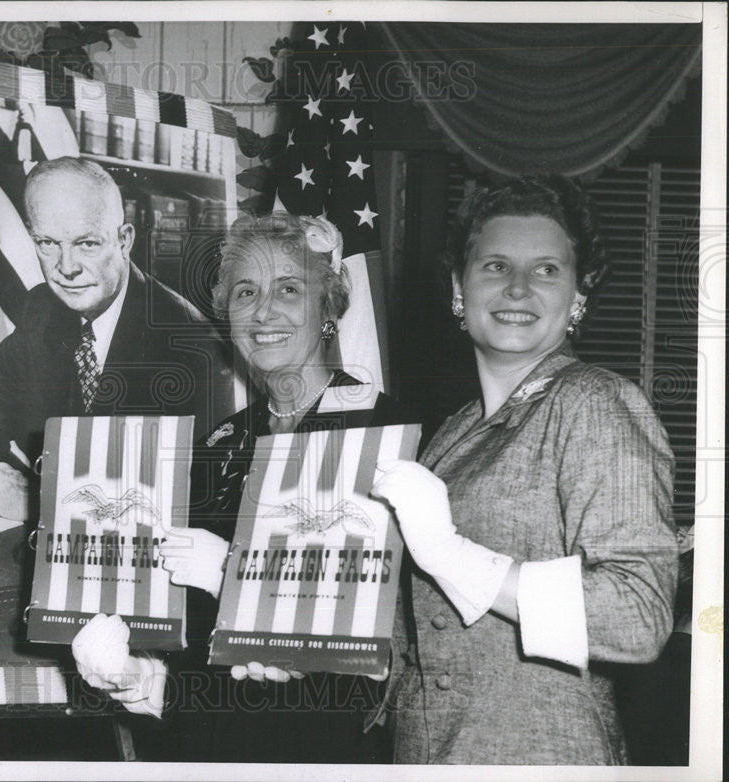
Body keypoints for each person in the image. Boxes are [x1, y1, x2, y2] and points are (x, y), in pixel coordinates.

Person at [70, 213, 414, 763]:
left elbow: (375, 639)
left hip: (329, 749)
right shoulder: (217, 445)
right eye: (245, 292)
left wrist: (231, 572)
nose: (263, 311)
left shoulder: (383, 435)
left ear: (329, 309)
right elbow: (200, 639)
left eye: (289, 289)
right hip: (214, 748)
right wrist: (147, 679)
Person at [364, 174, 679, 764]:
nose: (517, 288)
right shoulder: (452, 432)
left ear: (578, 296)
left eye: (546, 270)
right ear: (459, 289)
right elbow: (426, 638)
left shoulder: (594, 403)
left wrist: (456, 555)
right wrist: (297, 638)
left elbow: (638, 615)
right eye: (495, 266)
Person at [0, 157, 234, 519]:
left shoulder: (190, 342)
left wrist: (47, 501)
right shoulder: (44, 306)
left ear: (124, 241)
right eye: (47, 242)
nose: (67, 268)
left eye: (87, 243)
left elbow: (195, 495)